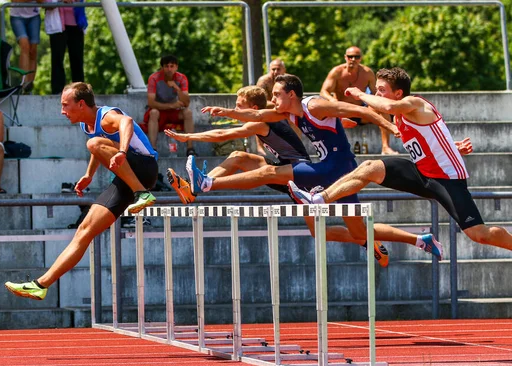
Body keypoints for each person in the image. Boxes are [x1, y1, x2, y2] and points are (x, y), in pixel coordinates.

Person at [174, 81, 443, 265]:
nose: (273, 99)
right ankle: (420, 240)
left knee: (268, 171)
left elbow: (360, 110)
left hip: (332, 169)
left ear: (291, 94)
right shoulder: (289, 115)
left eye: (277, 94)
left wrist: (391, 126)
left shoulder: (313, 105)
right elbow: (257, 117)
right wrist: (228, 111)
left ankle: (206, 183)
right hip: (328, 172)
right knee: (360, 232)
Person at [289, 67, 512, 252]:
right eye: (375, 89)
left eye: (381, 90)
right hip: (421, 173)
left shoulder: (414, 103)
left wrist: (360, 95)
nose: (377, 94)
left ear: (398, 93)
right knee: (370, 167)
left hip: (447, 180)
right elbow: (430, 138)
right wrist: (453, 147)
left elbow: (387, 106)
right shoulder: (401, 116)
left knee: (479, 235)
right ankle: (319, 200)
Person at [4, 82, 158, 300]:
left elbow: (127, 122)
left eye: (66, 105)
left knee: (93, 143)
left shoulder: (105, 116)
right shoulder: (86, 125)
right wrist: (89, 175)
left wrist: (122, 151)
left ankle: (142, 193)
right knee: (84, 229)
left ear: (82, 104)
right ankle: (40, 284)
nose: (62, 111)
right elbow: (99, 147)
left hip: (144, 167)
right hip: (127, 179)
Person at [320, 46, 397, 155]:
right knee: (323, 111)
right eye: (350, 57)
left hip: (360, 111)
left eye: (356, 57)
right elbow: (324, 91)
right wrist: (333, 101)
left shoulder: (367, 72)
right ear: (345, 57)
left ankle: (386, 147)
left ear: (360, 58)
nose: (353, 59)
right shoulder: (337, 72)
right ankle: (331, 151)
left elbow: (377, 93)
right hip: (342, 112)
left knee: (381, 109)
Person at [143, 54, 196, 155]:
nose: (169, 69)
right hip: (159, 111)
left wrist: (176, 87)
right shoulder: (154, 78)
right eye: (166, 66)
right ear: (162, 68)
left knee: (188, 113)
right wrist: (171, 106)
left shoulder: (181, 78)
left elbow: (186, 103)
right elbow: (151, 103)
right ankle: (153, 148)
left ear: (176, 67)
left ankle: (190, 148)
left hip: (174, 112)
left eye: (172, 66)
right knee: (153, 113)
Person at [44, 0, 87, 95]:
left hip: (76, 24)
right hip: (57, 26)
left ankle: (80, 91)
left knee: (77, 59)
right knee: (57, 58)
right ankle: (57, 90)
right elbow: (44, 3)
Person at [10, 0, 43, 93]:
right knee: (25, 46)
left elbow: (41, 1)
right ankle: (24, 83)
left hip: (34, 17)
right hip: (17, 17)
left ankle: (30, 85)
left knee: (33, 51)